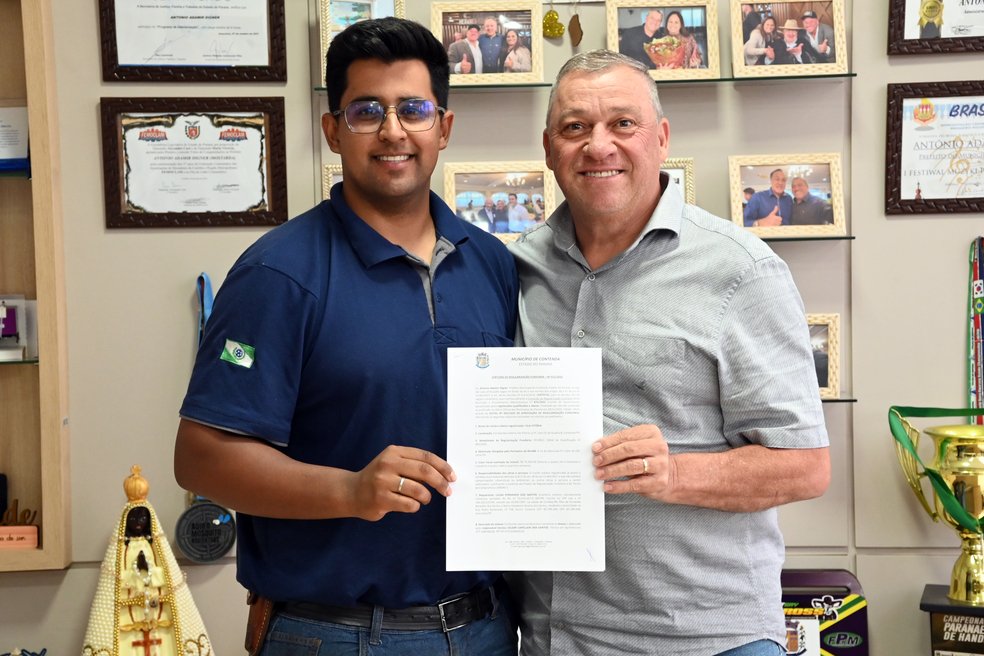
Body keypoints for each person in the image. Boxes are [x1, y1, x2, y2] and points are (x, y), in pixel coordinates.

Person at [174, 17, 519, 655]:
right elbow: (201, 458)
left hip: (484, 628)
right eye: (367, 111)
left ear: (443, 127)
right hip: (335, 633)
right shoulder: (278, 272)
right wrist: (350, 490)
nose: (393, 130)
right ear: (333, 130)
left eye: (414, 109)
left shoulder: (492, 263)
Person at [508, 49, 829, 656]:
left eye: (622, 123)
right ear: (549, 149)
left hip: (708, 638)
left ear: (660, 138)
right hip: (555, 635)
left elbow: (806, 465)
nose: (598, 145)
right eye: (575, 127)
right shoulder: (515, 267)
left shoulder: (741, 271)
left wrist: (676, 473)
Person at [82, 466, 213, 656]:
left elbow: (165, 575)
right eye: (134, 518)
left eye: (142, 517)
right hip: (128, 612)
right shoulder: (123, 549)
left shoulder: (155, 546)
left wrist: (149, 571)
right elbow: (117, 579)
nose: (138, 522)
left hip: (157, 610)